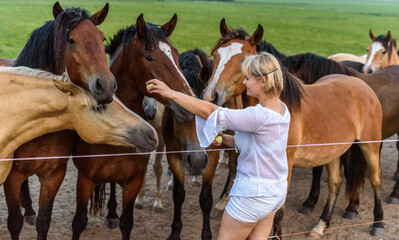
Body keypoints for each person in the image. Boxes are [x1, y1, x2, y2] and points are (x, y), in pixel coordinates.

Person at [146, 51, 290, 240]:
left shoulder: (258, 115)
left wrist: (170, 93)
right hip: (275, 193)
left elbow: (211, 110)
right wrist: (223, 140)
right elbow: (260, 143)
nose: (244, 82)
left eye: (247, 78)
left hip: (252, 196)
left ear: (263, 81)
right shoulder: (282, 109)